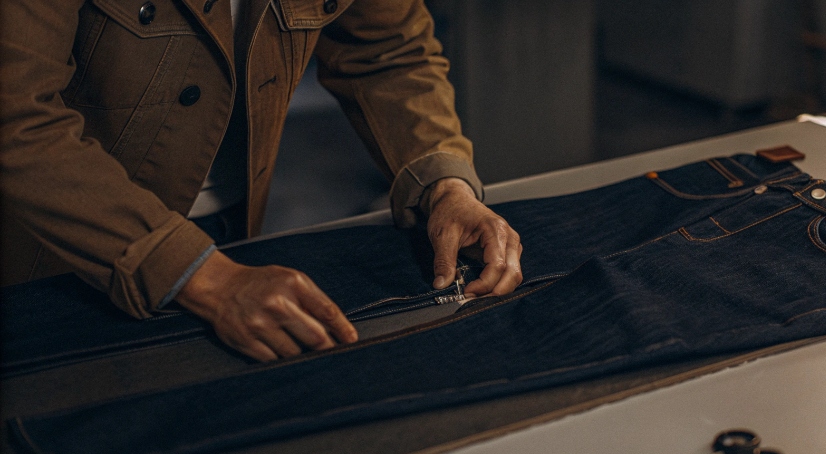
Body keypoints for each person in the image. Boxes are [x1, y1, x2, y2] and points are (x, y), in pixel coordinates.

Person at [0, 0, 523, 361]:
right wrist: (198, 276)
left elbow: (388, 50)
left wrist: (444, 185)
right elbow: (16, 119)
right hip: (50, 262)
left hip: (235, 242)